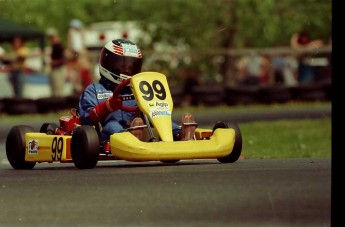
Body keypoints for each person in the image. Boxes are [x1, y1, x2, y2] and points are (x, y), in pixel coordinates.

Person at [78, 39, 196, 153]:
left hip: (139, 123)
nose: (128, 69)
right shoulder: (94, 90)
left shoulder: (138, 88)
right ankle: (132, 138)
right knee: (113, 126)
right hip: (108, 129)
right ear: (108, 63)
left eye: (132, 66)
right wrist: (106, 107)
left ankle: (180, 134)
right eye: (123, 65)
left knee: (161, 121)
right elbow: (86, 118)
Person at [46, 28, 67, 97]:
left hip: (58, 70)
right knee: (54, 90)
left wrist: (53, 62)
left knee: (58, 90)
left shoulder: (58, 46)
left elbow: (63, 59)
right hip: (55, 69)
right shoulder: (54, 46)